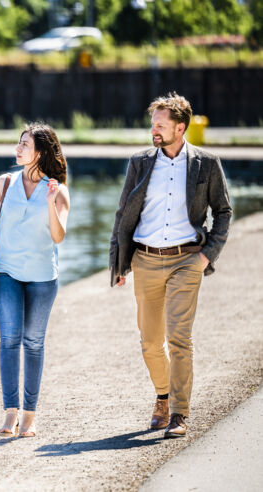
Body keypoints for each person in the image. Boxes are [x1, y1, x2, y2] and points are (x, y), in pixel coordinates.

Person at [109, 92, 231, 438]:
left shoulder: (206, 164)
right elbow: (123, 214)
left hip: (186, 261)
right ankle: (162, 397)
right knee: (150, 342)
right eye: (152, 124)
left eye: (160, 124)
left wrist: (207, 256)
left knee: (179, 338)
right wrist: (118, 262)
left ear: (180, 127)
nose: (154, 130)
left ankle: (179, 412)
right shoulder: (141, 162)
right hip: (145, 260)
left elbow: (223, 211)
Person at [0, 124, 70, 438]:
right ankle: (10, 412)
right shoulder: (4, 183)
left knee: (33, 343)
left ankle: (29, 415)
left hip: (43, 278)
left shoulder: (58, 190)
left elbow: (58, 236)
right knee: (9, 338)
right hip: (5, 273)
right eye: (18, 144)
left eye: (25, 145)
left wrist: (50, 202)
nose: (18, 149)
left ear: (41, 152)